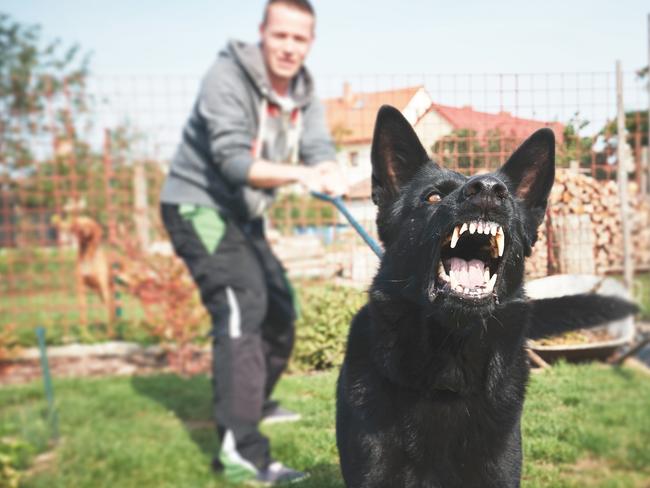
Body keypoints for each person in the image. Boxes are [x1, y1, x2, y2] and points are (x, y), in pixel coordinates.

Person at [159, 0, 345, 484]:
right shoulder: (226, 78)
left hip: (244, 215)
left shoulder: (303, 91)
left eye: (299, 39)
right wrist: (303, 175)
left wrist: (328, 171)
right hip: (198, 206)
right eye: (280, 35)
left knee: (281, 309)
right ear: (262, 32)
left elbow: (319, 149)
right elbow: (233, 162)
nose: (288, 47)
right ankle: (241, 452)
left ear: (311, 43)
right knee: (243, 302)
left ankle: (253, 399)